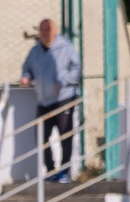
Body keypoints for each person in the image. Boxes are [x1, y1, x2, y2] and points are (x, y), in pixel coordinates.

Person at [18, 16, 83, 183]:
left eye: (48, 29)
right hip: (44, 101)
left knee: (65, 135)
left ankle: (65, 171)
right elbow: (27, 68)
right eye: (42, 30)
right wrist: (26, 77)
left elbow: (77, 68)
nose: (45, 33)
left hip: (64, 98)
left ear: (55, 31)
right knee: (41, 136)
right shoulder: (35, 51)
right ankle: (51, 170)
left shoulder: (66, 47)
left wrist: (64, 81)